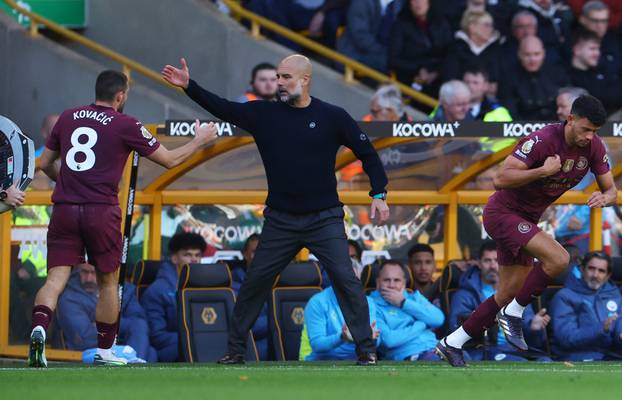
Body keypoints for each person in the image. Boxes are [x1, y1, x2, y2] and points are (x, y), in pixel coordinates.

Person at [162, 54, 389, 365]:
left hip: (324, 218)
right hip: (281, 219)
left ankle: (366, 349)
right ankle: (235, 350)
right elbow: (223, 107)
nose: (279, 83)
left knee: (345, 279)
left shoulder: (332, 116)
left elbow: (368, 152)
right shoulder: (264, 113)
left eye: (285, 77)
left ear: (305, 80)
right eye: (277, 77)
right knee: (255, 281)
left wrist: (379, 194)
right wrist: (189, 86)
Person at [29, 70, 218, 368]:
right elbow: (169, 160)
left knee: (55, 278)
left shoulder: (67, 117)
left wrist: (63, 180)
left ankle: (38, 328)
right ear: (121, 95)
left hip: (65, 208)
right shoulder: (126, 123)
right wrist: (200, 140)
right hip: (100, 210)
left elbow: (45, 163)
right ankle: (105, 351)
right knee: (108, 281)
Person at [436, 95, 617, 367]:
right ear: (570, 119)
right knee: (559, 259)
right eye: (586, 129)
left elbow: (612, 190)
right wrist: (542, 171)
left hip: (527, 220)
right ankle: (514, 312)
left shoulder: (593, 147)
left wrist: (606, 198)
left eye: (595, 131)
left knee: (508, 291)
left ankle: (453, 343)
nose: (590, 136)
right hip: (502, 213)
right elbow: (500, 179)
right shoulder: (543, 140)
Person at [448, 241, 550, 361]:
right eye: (487, 260)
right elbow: (455, 330)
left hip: (516, 350)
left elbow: (532, 333)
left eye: (497, 260)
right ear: (479, 263)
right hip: (483, 352)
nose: (492, 266)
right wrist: (479, 320)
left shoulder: (516, 291)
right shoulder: (464, 295)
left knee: (545, 361)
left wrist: (533, 327)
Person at [57, 263, 156, 362]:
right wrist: (124, 328)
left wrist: (100, 324)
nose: (88, 279)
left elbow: (139, 320)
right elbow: (84, 338)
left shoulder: (124, 290)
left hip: (120, 345)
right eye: (84, 272)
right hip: (89, 351)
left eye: (93, 272)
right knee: (144, 347)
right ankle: (133, 367)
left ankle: (133, 365)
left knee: (151, 351)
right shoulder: (70, 298)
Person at [141, 232, 207, 362]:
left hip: (200, 343)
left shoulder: (208, 285)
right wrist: (193, 338)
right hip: (169, 350)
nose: (194, 259)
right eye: (187, 254)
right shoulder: (157, 290)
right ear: (174, 258)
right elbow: (156, 336)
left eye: (197, 255)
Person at [299, 260, 379, 361]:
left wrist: (371, 338)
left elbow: (377, 341)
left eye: (354, 280)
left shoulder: (368, 302)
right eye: (346, 280)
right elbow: (317, 345)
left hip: (357, 361)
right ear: (334, 279)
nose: (350, 285)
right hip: (321, 362)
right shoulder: (317, 302)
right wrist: (342, 337)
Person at [550, 251, 622, 360]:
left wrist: (620, 335)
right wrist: (601, 329)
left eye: (601, 271)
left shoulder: (615, 295)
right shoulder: (565, 296)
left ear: (608, 276)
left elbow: (619, 326)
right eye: (591, 268)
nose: (595, 275)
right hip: (575, 358)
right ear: (583, 269)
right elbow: (566, 338)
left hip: (611, 357)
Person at [371, 260, 444, 361]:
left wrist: (403, 303)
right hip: (409, 355)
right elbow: (389, 341)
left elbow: (438, 319)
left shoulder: (414, 298)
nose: (391, 285)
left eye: (397, 280)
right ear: (378, 282)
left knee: (464, 356)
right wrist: (423, 324)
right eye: (386, 280)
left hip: (435, 348)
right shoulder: (372, 305)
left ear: (404, 283)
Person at [388, 0, 452, 96]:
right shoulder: (400, 25)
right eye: (414, 0)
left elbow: (450, 53)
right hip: (409, 78)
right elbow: (393, 59)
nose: (418, 3)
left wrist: (437, 72)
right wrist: (418, 69)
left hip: (438, 78)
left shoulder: (441, 24)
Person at [498, 35, 570, 120]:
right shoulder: (508, 78)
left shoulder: (558, 73)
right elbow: (509, 111)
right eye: (527, 55)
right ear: (519, 54)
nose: (532, 59)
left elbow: (568, 104)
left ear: (543, 53)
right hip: (522, 128)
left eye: (536, 54)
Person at [228, 233, 270, 360]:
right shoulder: (233, 288)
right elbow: (245, 326)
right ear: (245, 255)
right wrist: (276, 323)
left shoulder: (279, 283)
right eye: (255, 252)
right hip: (250, 353)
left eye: (264, 252)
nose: (260, 257)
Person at [336, 0, 404, 73]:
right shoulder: (362, 2)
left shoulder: (400, 4)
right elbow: (359, 35)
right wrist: (383, 52)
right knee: (388, 63)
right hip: (354, 53)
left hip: (383, 55)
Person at [568, 28, 622, 114]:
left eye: (598, 49)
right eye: (592, 49)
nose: (597, 53)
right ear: (577, 50)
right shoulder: (566, 75)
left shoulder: (601, 71)